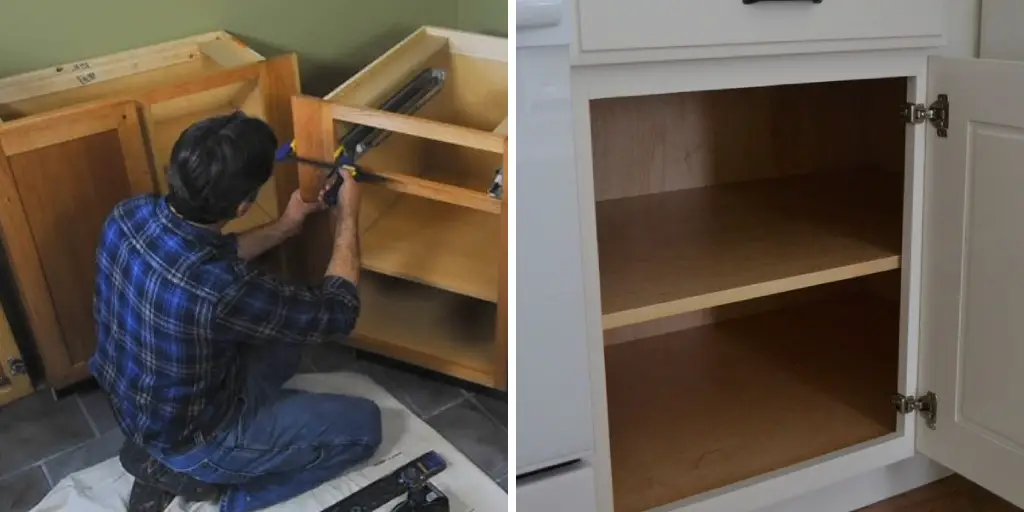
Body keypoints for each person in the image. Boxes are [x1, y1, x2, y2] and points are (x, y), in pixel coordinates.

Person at [89, 111, 382, 512]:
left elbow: (208, 254)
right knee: (365, 427)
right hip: (197, 437)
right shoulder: (220, 289)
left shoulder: (129, 215)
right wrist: (348, 215)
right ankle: (232, 498)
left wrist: (286, 226)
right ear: (244, 206)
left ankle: (165, 457)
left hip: (137, 406)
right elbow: (338, 312)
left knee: (286, 331)